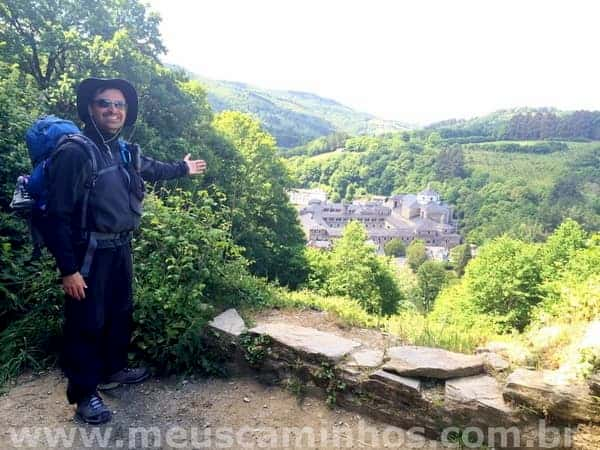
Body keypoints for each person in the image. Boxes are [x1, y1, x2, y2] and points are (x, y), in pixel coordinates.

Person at [44, 77, 206, 425]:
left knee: (119, 312)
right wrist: (68, 269)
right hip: (87, 254)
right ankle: (85, 394)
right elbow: (55, 215)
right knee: (85, 323)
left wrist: (183, 168)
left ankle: (112, 369)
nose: (113, 110)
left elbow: (153, 168)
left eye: (119, 105)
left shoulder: (122, 149)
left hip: (119, 248)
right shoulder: (75, 152)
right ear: (91, 108)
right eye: (105, 103)